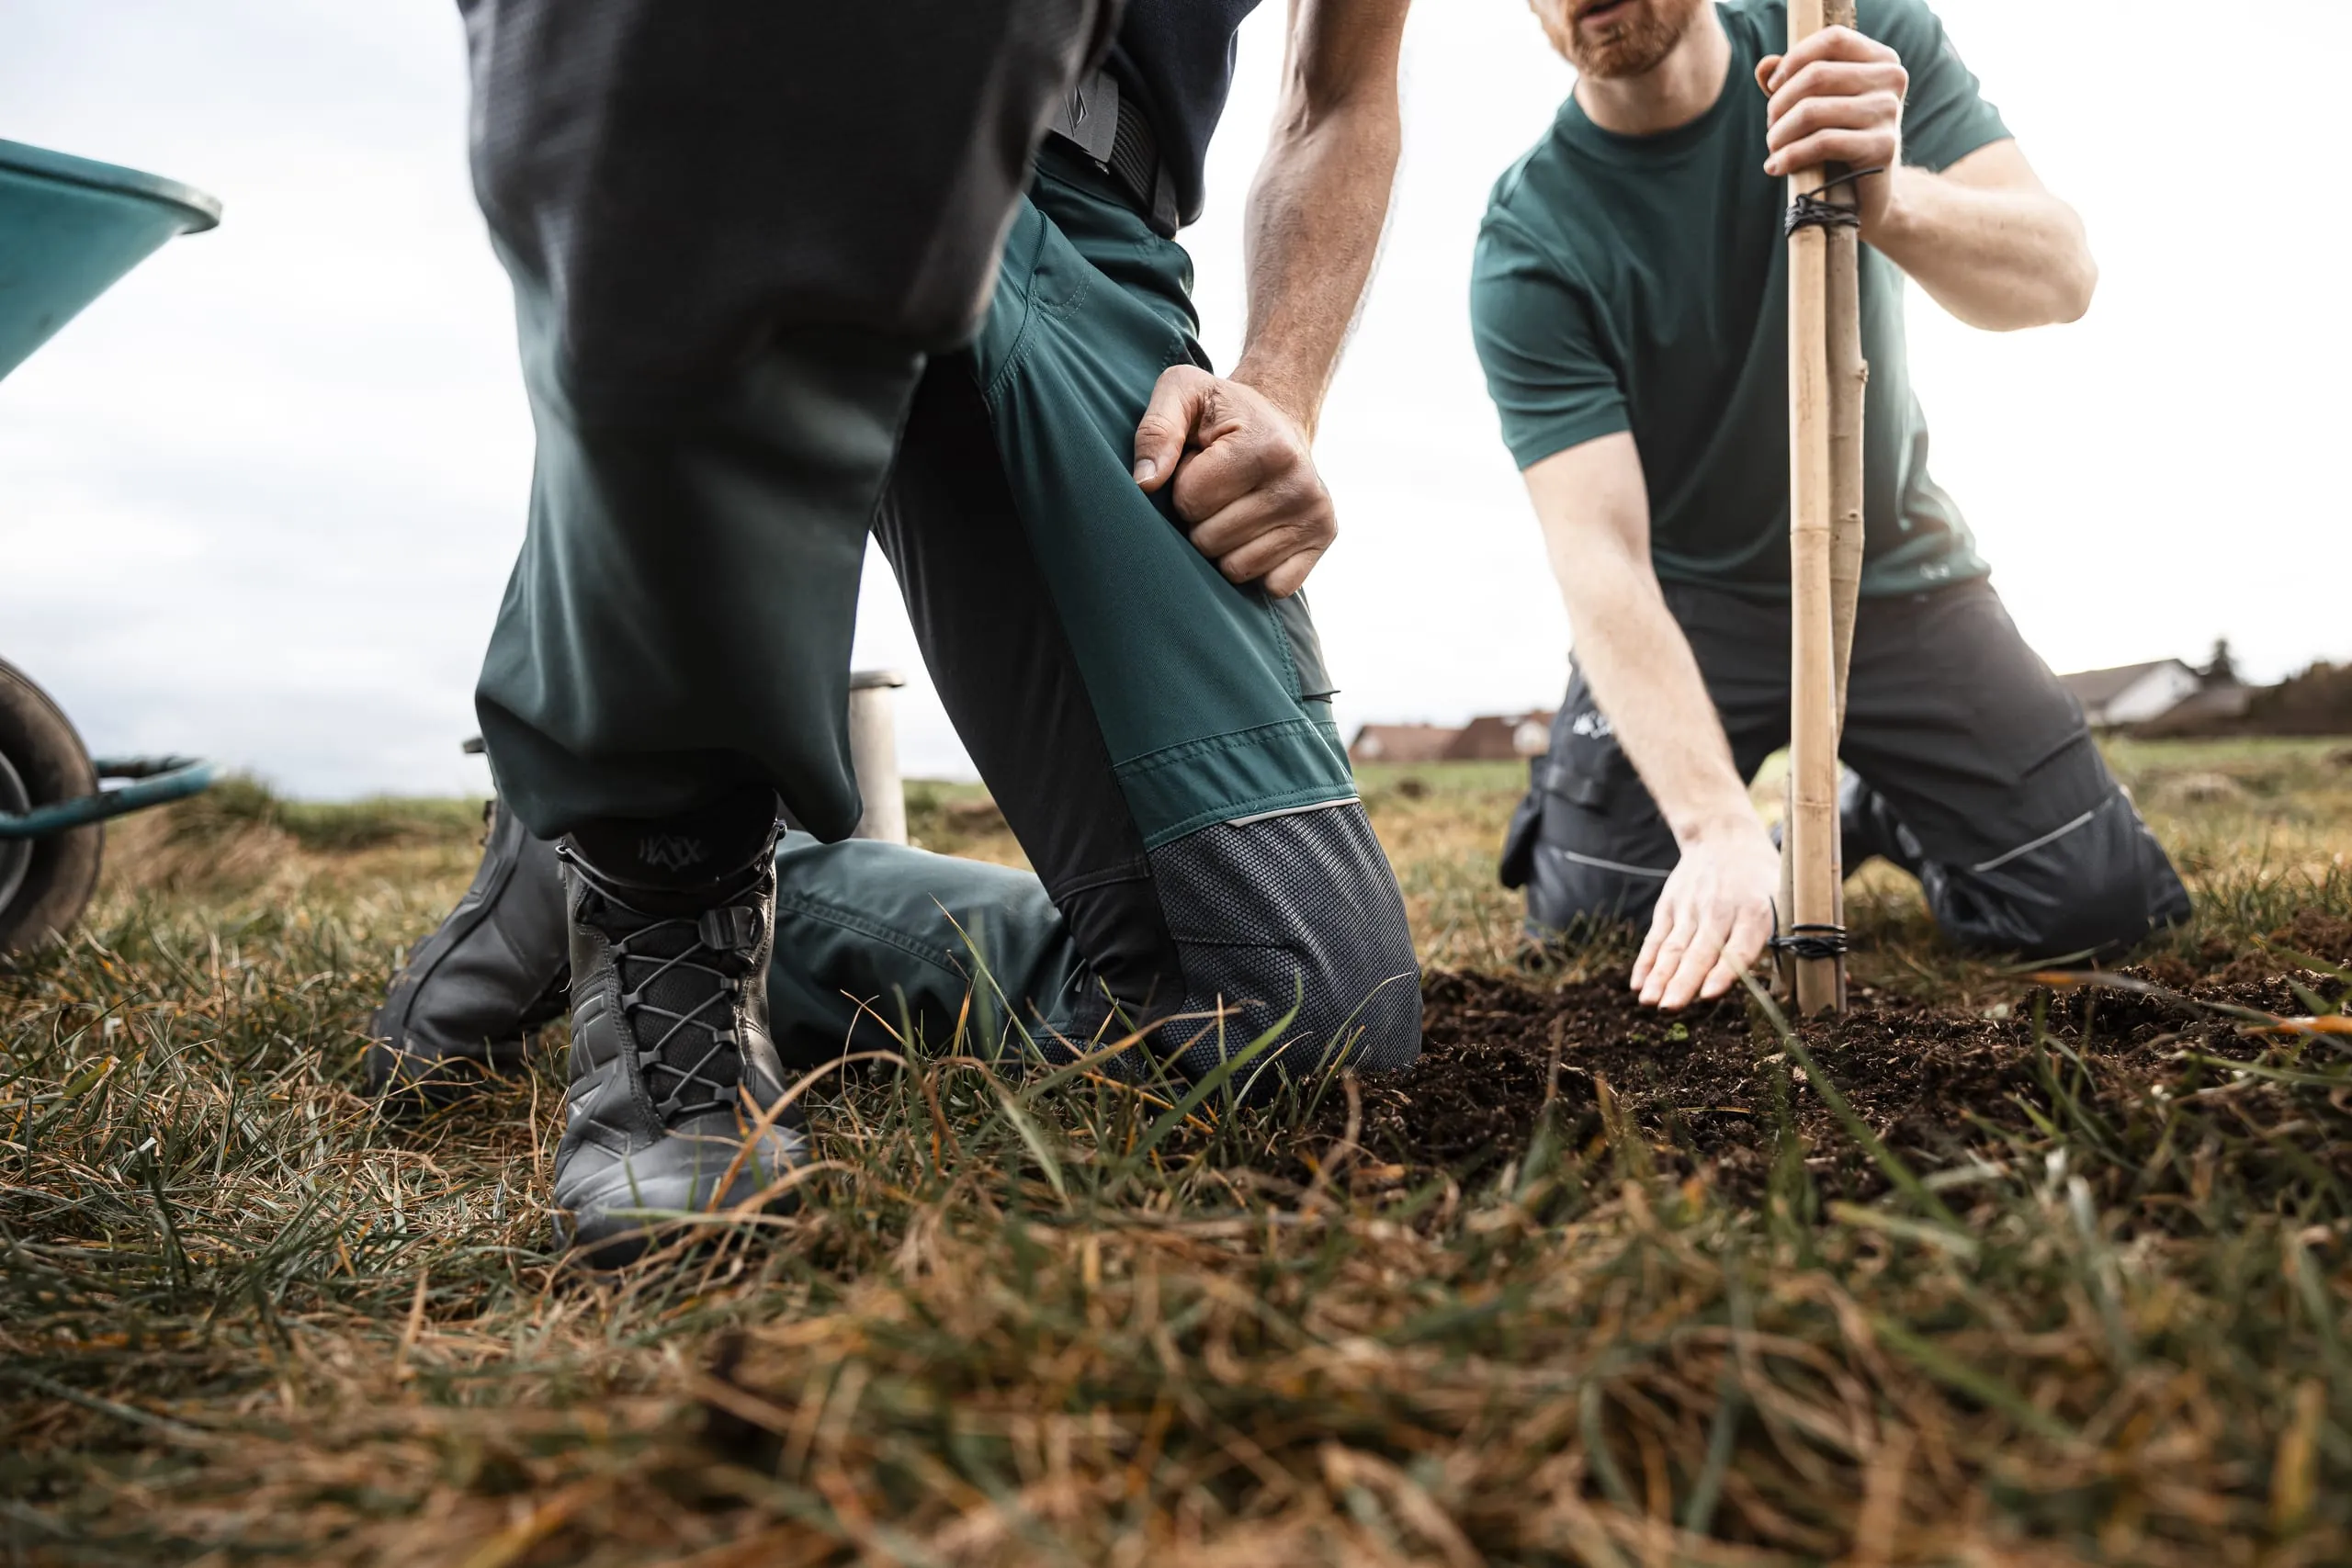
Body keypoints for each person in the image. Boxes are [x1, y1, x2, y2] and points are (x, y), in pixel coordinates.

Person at [380, 0, 1423, 1264]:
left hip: (1085, 223)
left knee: (1297, 1014)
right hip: (774, 87)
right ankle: (663, 882)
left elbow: (1342, 89)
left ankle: (677, 867)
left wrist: (1280, 384)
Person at [1474, 0, 2188, 1011]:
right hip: (1690, 608)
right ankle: (1718, 830)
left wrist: (1889, 199)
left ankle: (1872, 809)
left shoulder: (1850, 43)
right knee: (1598, 919)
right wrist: (1718, 826)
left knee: (2092, 905)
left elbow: (2058, 277)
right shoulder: (1531, 242)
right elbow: (1600, 558)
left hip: (1901, 577)